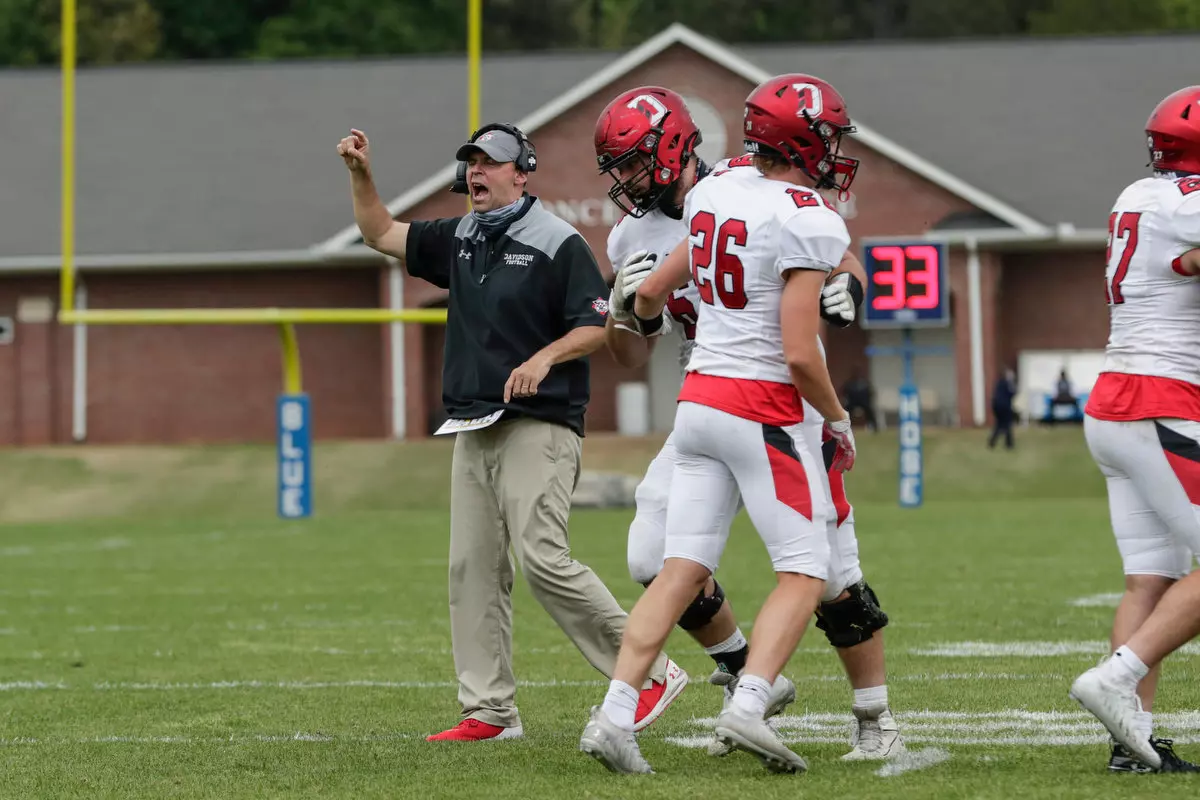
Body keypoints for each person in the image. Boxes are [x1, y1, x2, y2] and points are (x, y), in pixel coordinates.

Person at [336, 122, 687, 743]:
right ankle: (489, 712)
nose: (476, 172)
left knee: (543, 560)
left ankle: (651, 671)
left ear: (521, 173)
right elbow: (379, 233)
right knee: (471, 567)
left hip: (541, 425)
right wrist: (362, 175)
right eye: (470, 162)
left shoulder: (558, 242)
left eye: (490, 162)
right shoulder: (461, 237)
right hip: (473, 422)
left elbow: (598, 325)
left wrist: (543, 358)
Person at [592, 86, 902, 762]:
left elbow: (837, 261)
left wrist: (850, 280)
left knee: (834, 573)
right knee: (676, 557)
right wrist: (627, 309)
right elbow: (630, 340)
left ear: (673, 148)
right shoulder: (729, 208)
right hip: (764, 397)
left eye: (633, 164)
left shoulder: (723, 190)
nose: (626, 183)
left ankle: (872, 717)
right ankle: (749, 680)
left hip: (717, 396)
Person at [1068, 85, 1200, 774]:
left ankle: (1132, 741)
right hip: (1158, 403)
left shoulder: (1139, 197)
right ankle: (1116, 681)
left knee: (1149, 581)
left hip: (1119, 404)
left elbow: (1180, 265)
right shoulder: (1185, 203)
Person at [989, 367, 1017, 449]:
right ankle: (1009, 444)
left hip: (996, 406)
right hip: (1005, 406)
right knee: (1007, 424)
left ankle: (992, 442)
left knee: (998, 424)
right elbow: (1012, 394)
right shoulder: (1007, 384)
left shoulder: (998, 383)